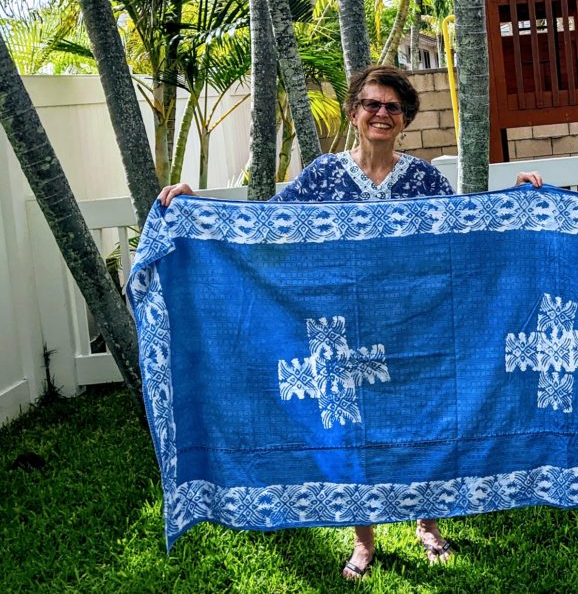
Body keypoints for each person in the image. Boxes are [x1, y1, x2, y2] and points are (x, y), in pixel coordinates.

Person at [159, 65, 542, 579]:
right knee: (355, 431)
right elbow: (266, 230)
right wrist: (196, 208)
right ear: (354, 111)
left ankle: (426, 524)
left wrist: (518, 203)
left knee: (420, 423)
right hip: (344, 332)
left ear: (405, 119)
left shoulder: (426, 179)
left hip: (415, 329)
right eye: (372, 104)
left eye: (393, 108)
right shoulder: (322, 175)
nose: (381, 114)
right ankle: (364, 540)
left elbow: (464, 242)